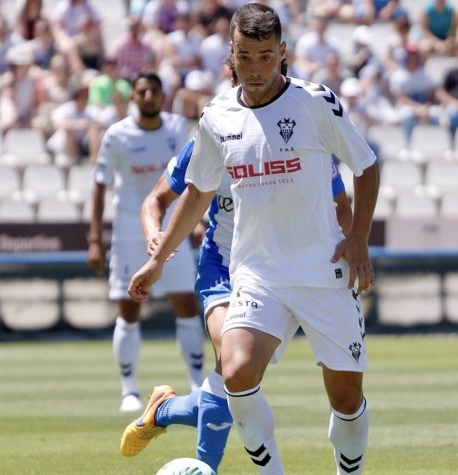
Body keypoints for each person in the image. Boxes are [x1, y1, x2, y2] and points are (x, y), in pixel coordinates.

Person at [128, 4, 379, 474]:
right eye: (246, 57)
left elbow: (365, 167)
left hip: (322, 271)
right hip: (257, 273)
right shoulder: (217, 116)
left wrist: (358, 239)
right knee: (237, 372)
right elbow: (198, 191)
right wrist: (158, 259)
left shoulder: (314, 103)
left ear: (282, 53)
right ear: (231, 54)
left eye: (266, 56)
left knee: (346, 398)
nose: (256, 68)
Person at [88, 72, 204, 413]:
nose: (149, 95)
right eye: (142, 91)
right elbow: (99, 184)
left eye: (154, 90)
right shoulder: (117, 134)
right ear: (133, 98)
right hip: (128, 228)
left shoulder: (178, 128)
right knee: (129, 307)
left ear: (162, 95)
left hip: (173, 225)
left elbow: (199, 176)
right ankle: (129, 390)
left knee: (185, 302)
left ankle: (197, 384)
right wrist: (95, 238)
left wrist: (198, 221)